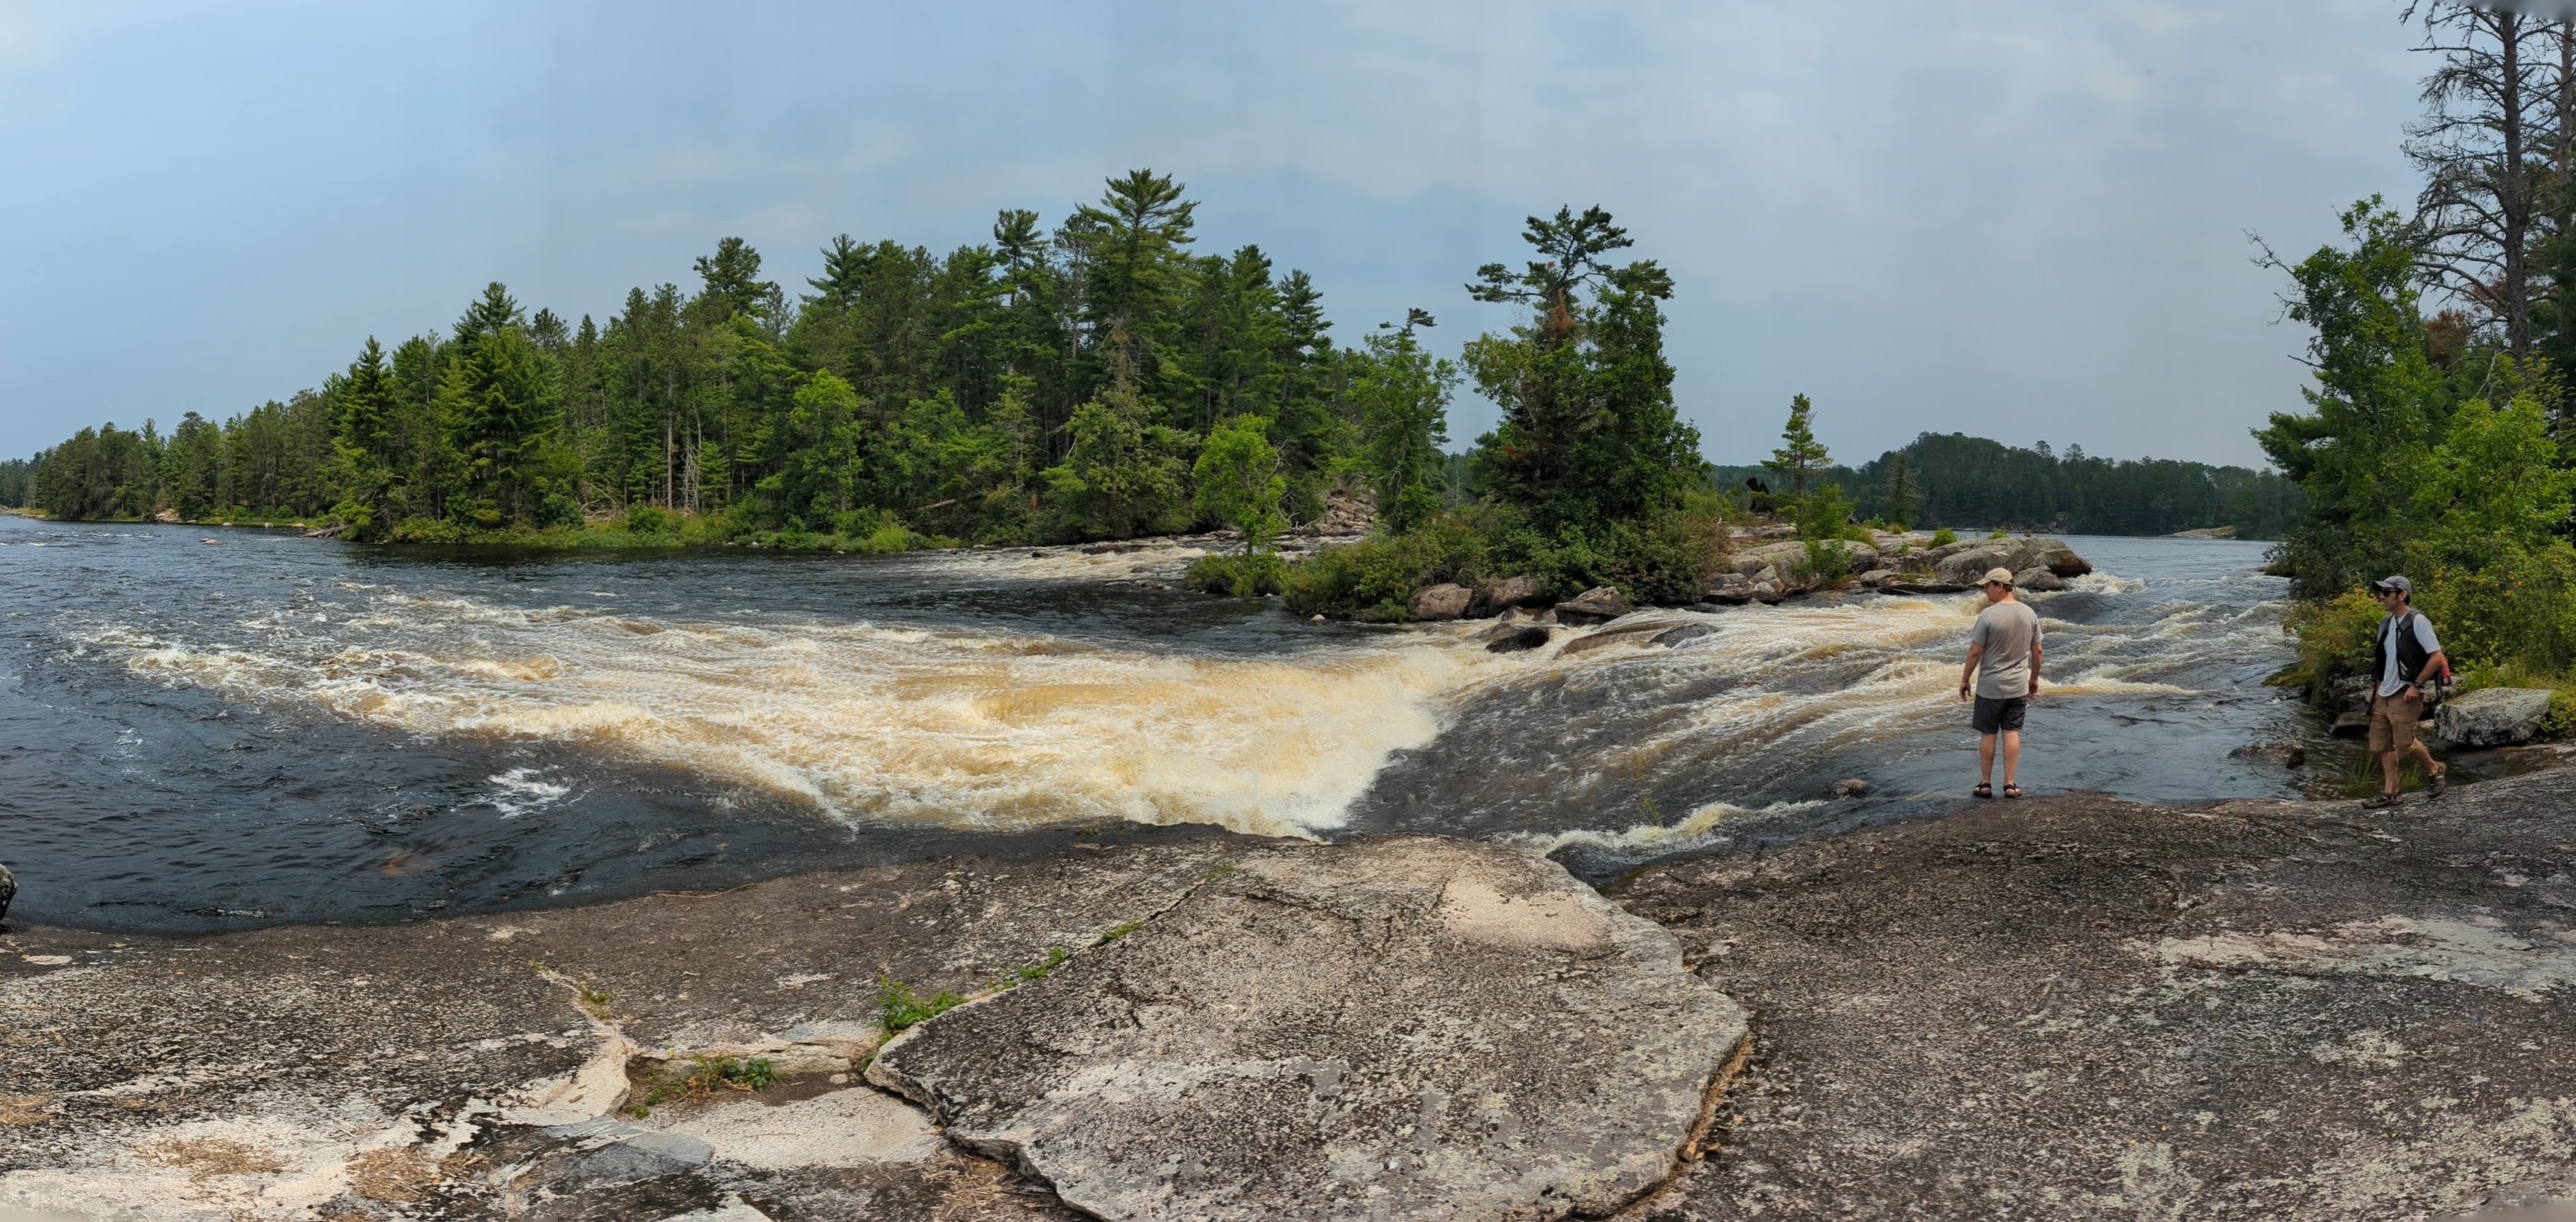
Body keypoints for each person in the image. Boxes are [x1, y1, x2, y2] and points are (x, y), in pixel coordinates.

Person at [2364, 575, 2449, 808]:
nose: (2381, 597)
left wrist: (2417, 686)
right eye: (2381, 593)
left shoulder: (2418, 621)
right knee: (2382, 744)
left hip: (2406, 692)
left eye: (2386, 593)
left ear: (2401, 595)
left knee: (2405, 743)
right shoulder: (2386, 622)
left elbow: (2437, 657)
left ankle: (2434, 770)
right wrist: (2378, 692)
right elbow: (2385, 661)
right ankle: (2391, 792)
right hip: (2383, 693)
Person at [1959, 566, 2041, 799]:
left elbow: (1975, 651)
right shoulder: (2029, 613)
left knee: (1988, 733)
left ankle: (1985, 784)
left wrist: (1965, 680)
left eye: (1988, 586)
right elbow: (2038, 650)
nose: (1985, 590)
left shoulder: (1988, 615)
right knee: (2012, 732)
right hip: (2017, 686)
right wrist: (2033, 679)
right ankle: (2010, 784)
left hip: (1991, 686)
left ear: (2000, 587)